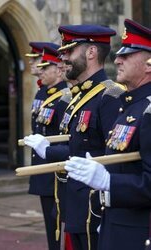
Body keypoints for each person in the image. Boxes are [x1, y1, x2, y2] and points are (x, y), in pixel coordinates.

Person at [27, 24, 126, 250]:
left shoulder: (110, 96)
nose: (63, 58)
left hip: (95, 209)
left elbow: (113, 158)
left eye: (69, 51)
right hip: (74, 204)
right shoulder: (79, 97)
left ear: (91, 52)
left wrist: (48, 151)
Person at [64, 19, 151, 250]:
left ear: (149, 64)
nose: (117, 59)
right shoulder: (128, 106)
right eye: (119, 54)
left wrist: (108, 181)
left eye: (128, 55)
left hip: (138, 235)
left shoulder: (147, 110)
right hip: (114, 224)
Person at [24, 43, 70, 250]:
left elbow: (65, 136)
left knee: (63, 222)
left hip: (56, 167)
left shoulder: (64, 98)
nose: (40, 70)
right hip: (43, 164)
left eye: (45, 67)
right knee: (50, 225)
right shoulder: (42, 94)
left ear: (58, 69)